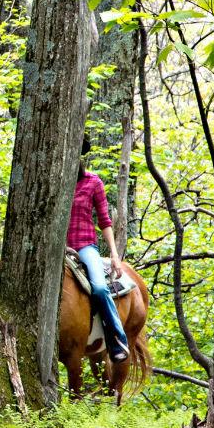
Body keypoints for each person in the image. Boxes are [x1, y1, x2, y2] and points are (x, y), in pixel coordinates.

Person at [67, 139, 129, 363]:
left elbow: (104, 221)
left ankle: (116, 339)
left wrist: (114, 255)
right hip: (56, 250)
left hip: (84, 247)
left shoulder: (93, 182)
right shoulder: (55, 180)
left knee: (100, 288)